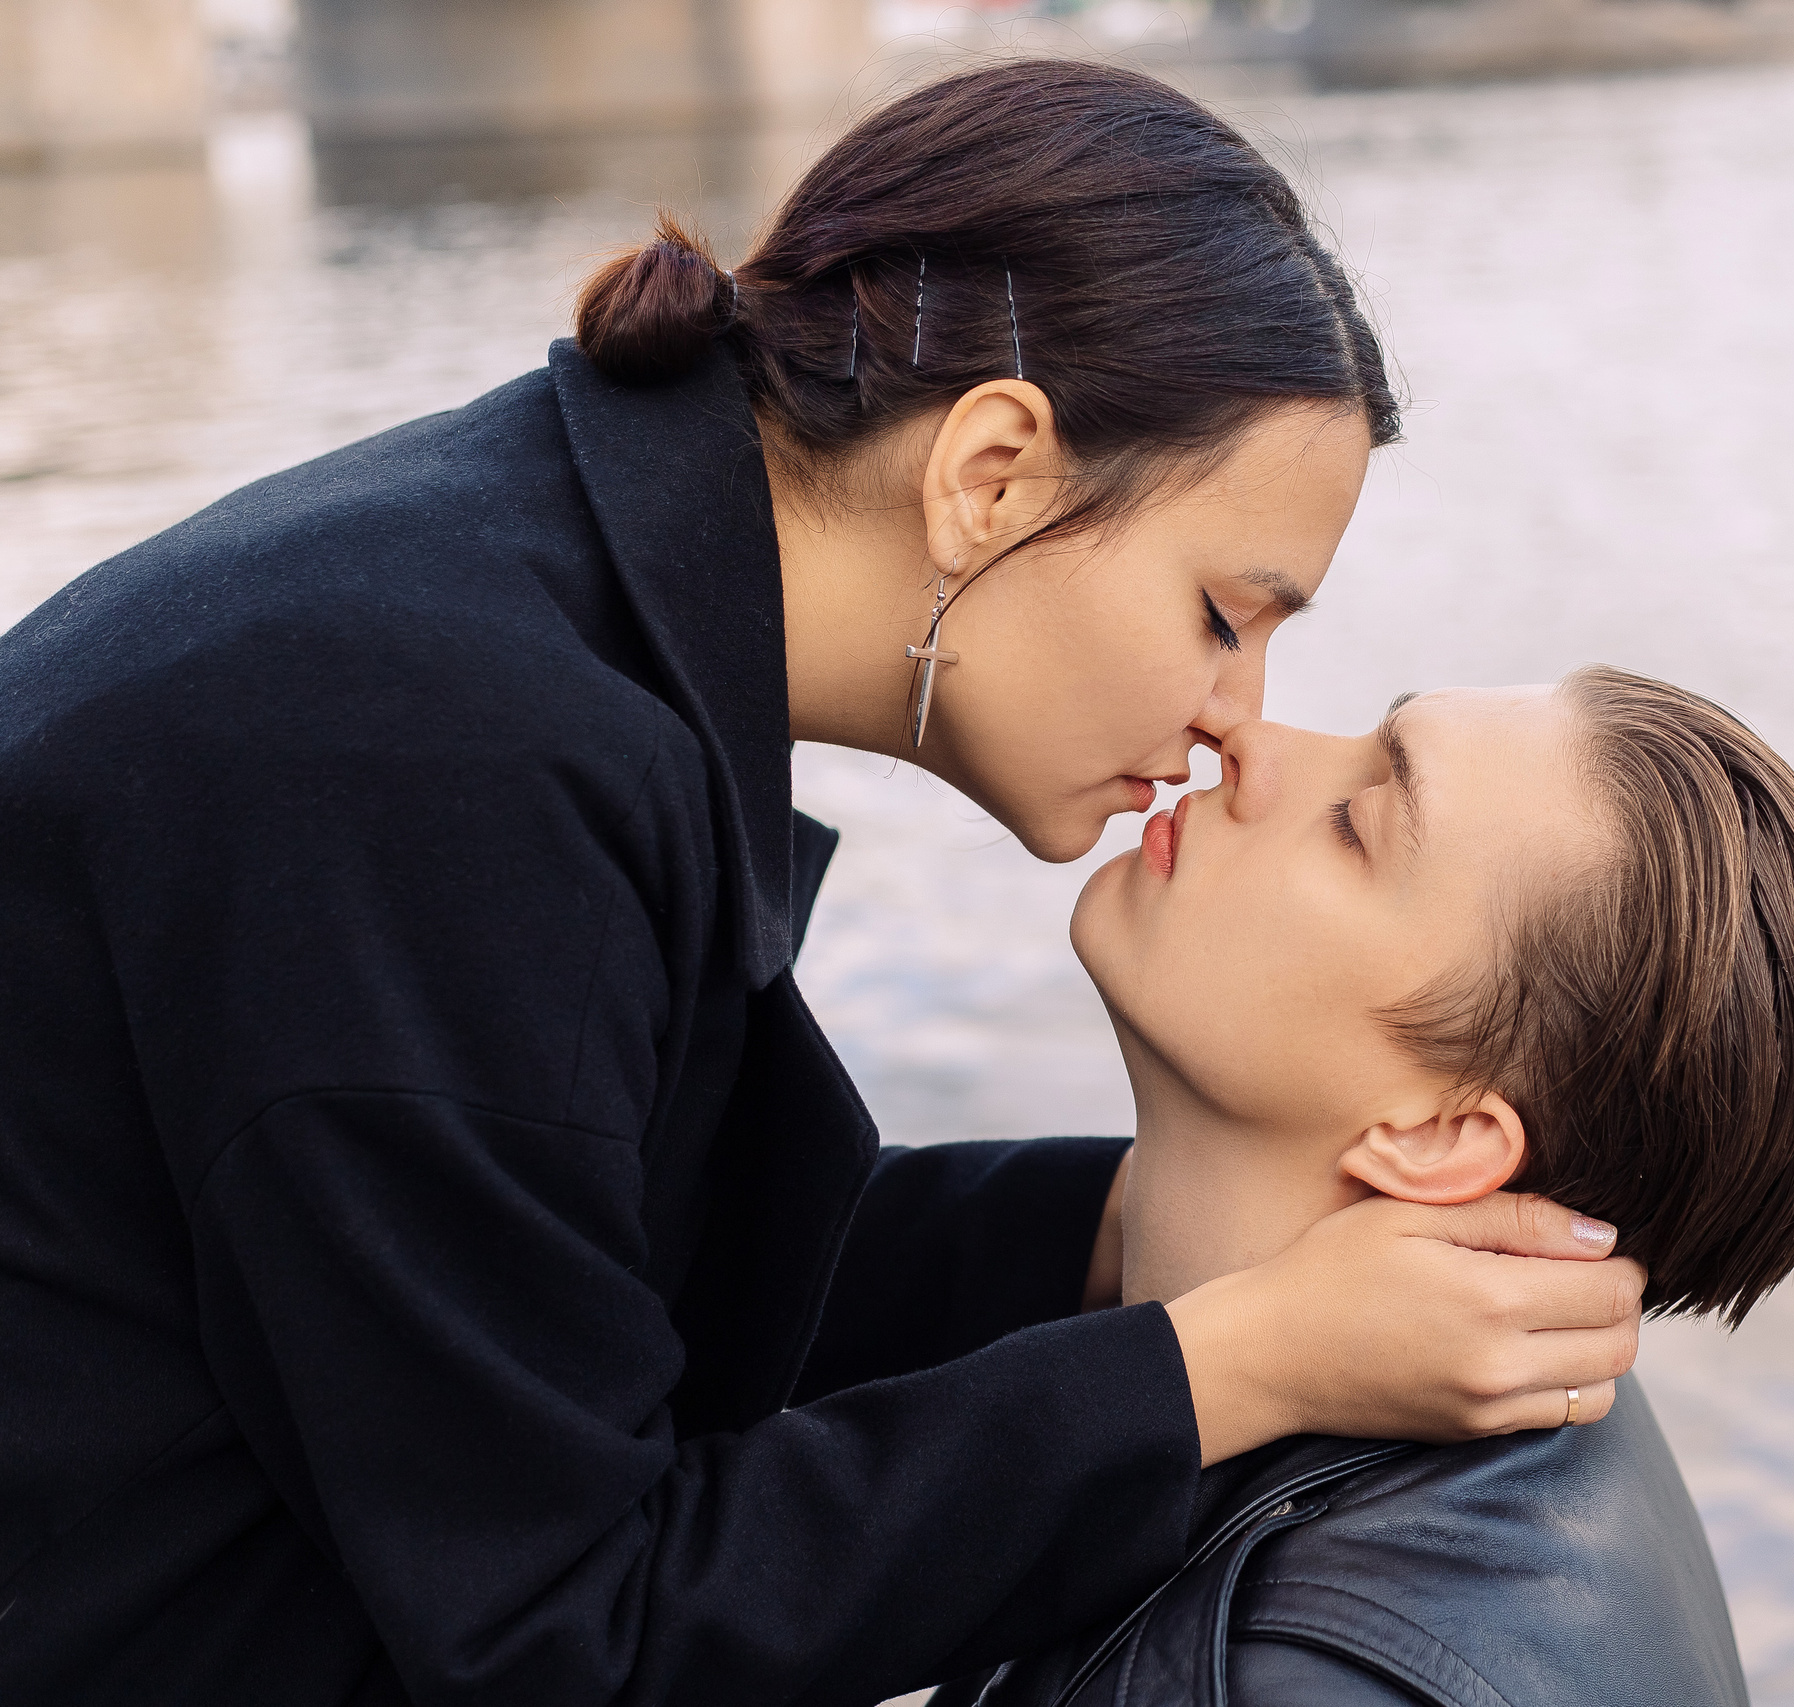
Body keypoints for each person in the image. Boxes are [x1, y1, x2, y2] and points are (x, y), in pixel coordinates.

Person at [0, 63, 1648, 1707]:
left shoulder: (533, 596)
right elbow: (573, 1641)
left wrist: (1155, 1234)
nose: (1241, 719)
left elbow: (626, 1277)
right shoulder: (444, 757)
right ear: (992, 470)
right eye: (1228, 612)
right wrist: (1245, 1359)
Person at [934, 668, 1794, 1705]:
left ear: (1438, 1135)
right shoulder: (1521, 1394)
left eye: (1354, 822)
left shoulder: (1303, 1681)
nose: (1250, 740)